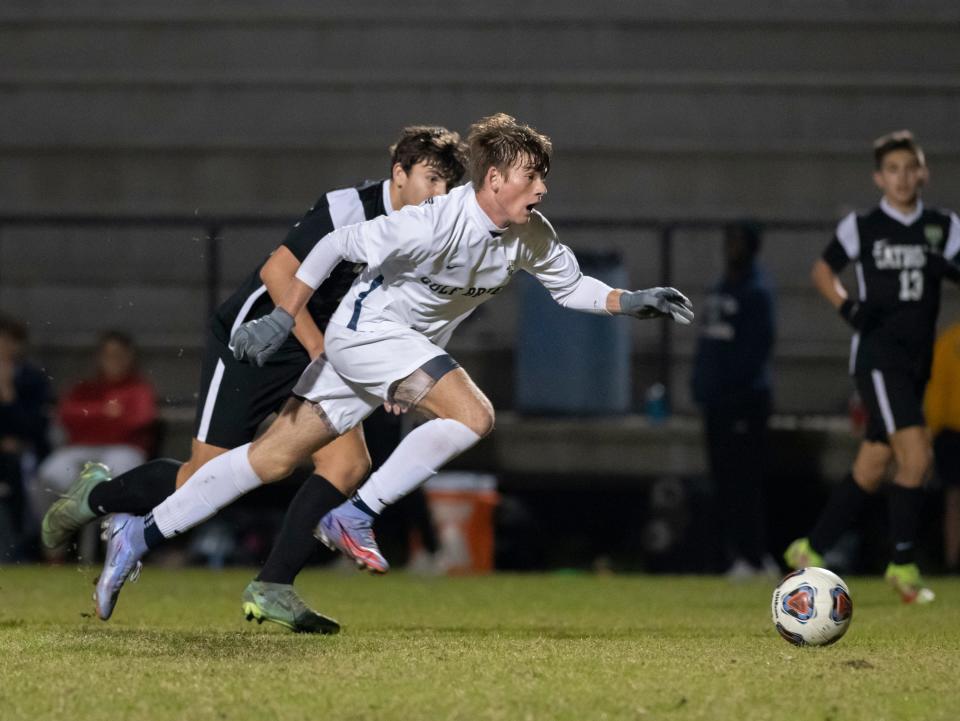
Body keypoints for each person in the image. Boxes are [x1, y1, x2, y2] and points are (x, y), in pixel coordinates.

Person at [92, 113, 694, 622]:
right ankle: (355, 514)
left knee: (270, 459)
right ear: (495, 178)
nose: (542, 189)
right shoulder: (434, 219)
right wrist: (284, 317)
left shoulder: (528, 234)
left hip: (393, 350)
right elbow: (334, 245)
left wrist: (630, 301)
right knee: (474, 414)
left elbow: (570, 287)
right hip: (364, 336)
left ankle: (136, 535)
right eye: (532, 176)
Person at [43, 125, 467, 631]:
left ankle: (274, 585)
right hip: (257, 340)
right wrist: (317, 348)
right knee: (203, 475)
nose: (439, 194)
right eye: (432, 179)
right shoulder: (346, 207)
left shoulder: (428, 227)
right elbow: (277, 274)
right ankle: (96, 497)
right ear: (399, 173)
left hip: (326, 350)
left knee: (348, 464)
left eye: (448, 184)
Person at [784, 130, 960, 603]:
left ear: (923, 173)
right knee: (918, 457)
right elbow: (823, 271)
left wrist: (949, 269)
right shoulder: (862, 226)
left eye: (911, 168)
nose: (903, 178)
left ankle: (809, 547)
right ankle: (902, 565)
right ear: (879, 178)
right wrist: (848, 308)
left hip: (915, 361)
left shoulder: (944, 226)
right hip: (878, 358)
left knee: (873, 464)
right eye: (893, 170)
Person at [691, 221, 776, 580]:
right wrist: (699, 383)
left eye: (738, 242)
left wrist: (730, 387)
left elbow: (757, 349)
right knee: (723, 481)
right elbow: (709, 343)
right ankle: (735, 555)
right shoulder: (720, 288)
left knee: (745, 482)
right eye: (729, 241)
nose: (731, 248)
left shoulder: (756, 292)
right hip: (717, 403)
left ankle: (754, 557)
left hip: (744, 401)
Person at [31, 331, 156, 558]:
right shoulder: (85, 388)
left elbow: (139, 420)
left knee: (120, 479)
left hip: (123, 448)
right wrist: (106, 413)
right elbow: (66, 415)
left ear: (130, 357)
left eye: (119, 355)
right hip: (79, 449)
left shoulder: (138, 388)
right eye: (108, 355)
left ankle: (117, 554)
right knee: (49, 475)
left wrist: (93, 417)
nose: (113, 361)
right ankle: (53, 551)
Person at [0, 314, 51, 561]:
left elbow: (32, 428)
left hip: (24, 452)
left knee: (16, 468)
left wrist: (8, 394)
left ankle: (21, 546)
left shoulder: (31, 379)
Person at [924, 321, 960, 572]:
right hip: (952, 433)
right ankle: (951, 561)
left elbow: (936, 393)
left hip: (950, 433)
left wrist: (933, 431)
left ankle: (952, 561)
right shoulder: (948, 342)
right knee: (954, 501)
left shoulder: (949, 341)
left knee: (954, 501)